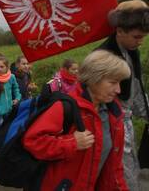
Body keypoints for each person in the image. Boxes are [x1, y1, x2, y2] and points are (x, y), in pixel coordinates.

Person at [23, 50, 130, 190]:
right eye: (113, 82)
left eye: (119, 83)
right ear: (94, 78)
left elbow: (115, 166)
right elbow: (32, 141)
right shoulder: (66, 108)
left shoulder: (114, 114)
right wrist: (71, 143)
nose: (118, 90)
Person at [98, 0, 149, 190]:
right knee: (118, 171)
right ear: (119, 31)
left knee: (130, 167)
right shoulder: (103, 57)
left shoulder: (131, 50)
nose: (140, 41)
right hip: (111, 125)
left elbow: (136, 89)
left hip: (124, 122)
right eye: (137, 37)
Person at [0, 54, 21, 131]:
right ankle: (0, 142)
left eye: (1, 67)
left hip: (8, 108)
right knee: (1, 130)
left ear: (7, 67)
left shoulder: (11, 77)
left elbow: (16, 88)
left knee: (7, 128)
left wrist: (17, 98)